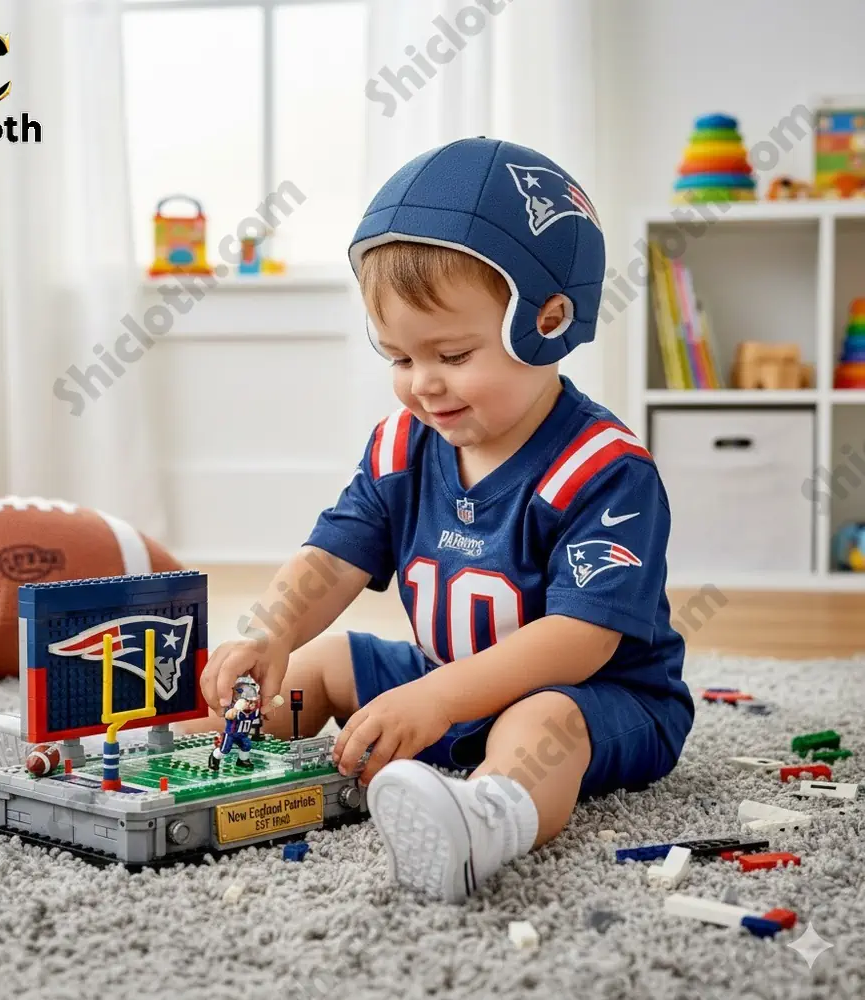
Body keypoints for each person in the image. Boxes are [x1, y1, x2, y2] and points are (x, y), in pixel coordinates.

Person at [183, 137, 694, 903]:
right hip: (445, 686)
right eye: (398, 357)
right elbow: (332, 557)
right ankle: (174, 752)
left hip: (602, 702)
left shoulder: (606, 468)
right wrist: (270, 633)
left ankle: (484, 822)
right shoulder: (402, 446)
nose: (422, 384)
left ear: (549, 321)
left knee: (541, 722)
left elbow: (579, 640)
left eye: (452, 353)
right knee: (321, 661)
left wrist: (439, 702)